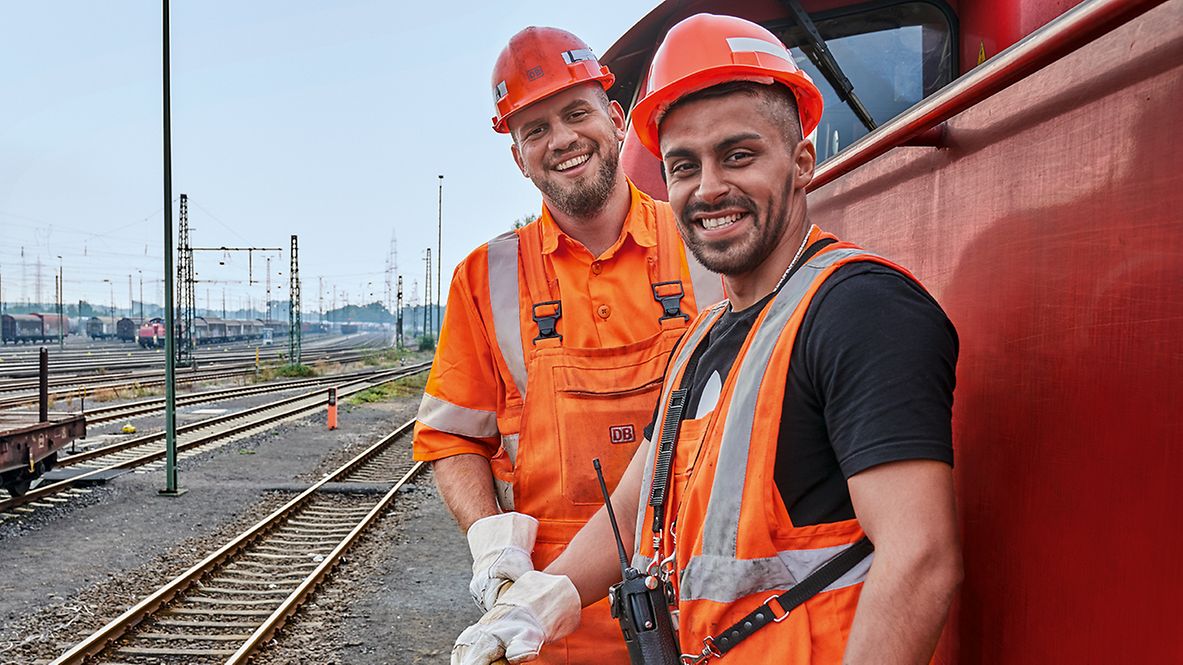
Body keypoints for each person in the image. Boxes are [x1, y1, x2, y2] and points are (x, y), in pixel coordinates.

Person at [452, 13, 962, 665]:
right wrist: (539, 599)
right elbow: (638, 497)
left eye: (738, 154)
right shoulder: (704, 341)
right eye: (684, 166)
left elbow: (919, 558)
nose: (708, 186)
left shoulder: (858, 309)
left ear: (801, 162)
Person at [413, 25, 723, 665]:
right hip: (551, 623)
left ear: (615, 119)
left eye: (576, 113)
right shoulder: (487, 278)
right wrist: (492, 544)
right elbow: (453, 437)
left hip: (702, 603)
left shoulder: (706, 244)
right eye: (535, 129)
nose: (561, 139)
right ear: (518, 155)